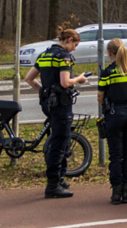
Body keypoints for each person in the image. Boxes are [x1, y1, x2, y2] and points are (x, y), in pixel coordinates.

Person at [24, 29, 87, 198]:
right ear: (69, 40)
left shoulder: (44, 55)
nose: (74, 49)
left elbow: (28, 78)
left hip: (48, 103)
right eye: (75, 45)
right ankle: (53, 184)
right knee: (59, 144)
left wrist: (43, 91)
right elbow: (65, 82)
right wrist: (79, 79)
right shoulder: (64, 57)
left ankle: (60, 178)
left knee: (61, 140)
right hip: (60, 104)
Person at [97, 38, 127, 205]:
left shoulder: (107, 73)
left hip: (115, 113)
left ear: (110, 54)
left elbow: (100, 98)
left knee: (116, 155)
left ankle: (116, 193)